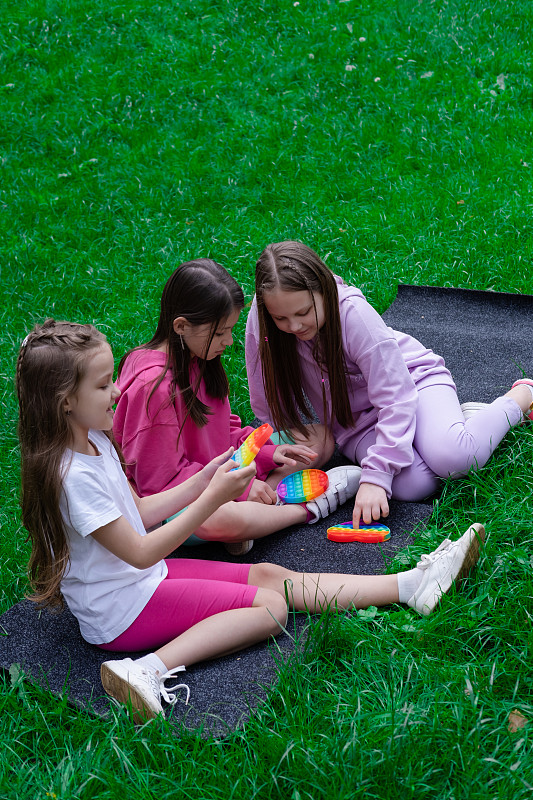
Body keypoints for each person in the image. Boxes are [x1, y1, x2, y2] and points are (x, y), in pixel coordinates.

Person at [17, 319, 486, 724]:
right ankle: (146, 670)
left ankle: (411, 586)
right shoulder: (72, 476)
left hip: (139, 581)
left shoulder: (93, 441)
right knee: (270, 609)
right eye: (102, 385)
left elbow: (138, 511)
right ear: (64, 402)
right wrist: (212, 499)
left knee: (270, 577)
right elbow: (141, 548)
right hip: (120, 611)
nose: (117, 390)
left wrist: (202, 479)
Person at [245, 241, 533, 526]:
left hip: (413, 385)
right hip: (356, 419)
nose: (294, 326)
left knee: (456, 458)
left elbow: (396, 396)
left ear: (324, 290)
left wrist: (376, 476)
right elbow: (265, 400)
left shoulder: (352, 314)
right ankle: (457, 425)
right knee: (413, 486)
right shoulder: (262, 320)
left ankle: (520, 396)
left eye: (303, 312)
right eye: (280, 317)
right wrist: (268, 457)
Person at [113, 259, 362, 556]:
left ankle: (262, 505)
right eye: (220, 333)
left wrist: (268, 453)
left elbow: (225, 431)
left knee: (318, 439)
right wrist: (240, 489)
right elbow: (160, 483)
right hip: (176, 501)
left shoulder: (199, 358)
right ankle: (303, 510)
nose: (229, 341)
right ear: (181, 326)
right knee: (218, 519)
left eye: (230, 330)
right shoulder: (154, 388)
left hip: (219, 469)